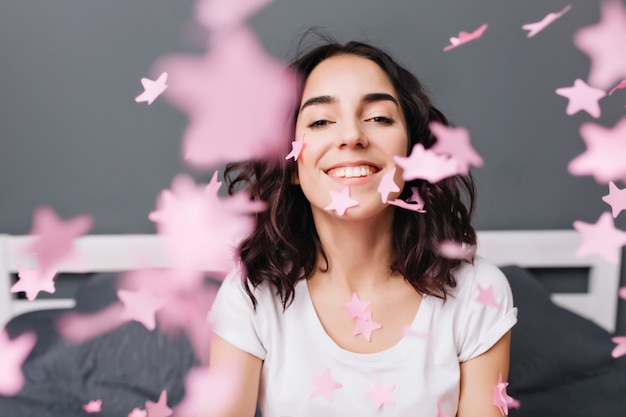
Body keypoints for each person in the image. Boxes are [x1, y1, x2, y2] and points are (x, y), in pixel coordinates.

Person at [209, 38, 518, 417]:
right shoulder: (253, 295)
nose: (352, 136)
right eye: (321, 121)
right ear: (289, 163)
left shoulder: (477, 292)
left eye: (378, 118)